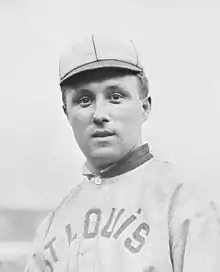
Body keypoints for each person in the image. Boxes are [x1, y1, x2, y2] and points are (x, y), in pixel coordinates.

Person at [25, 34, 220, 272]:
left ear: (144, 106)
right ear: (67, 113)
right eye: (84, 100)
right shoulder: (54, 223)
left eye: (115, 97)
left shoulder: (183, 201)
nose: (99, 114)